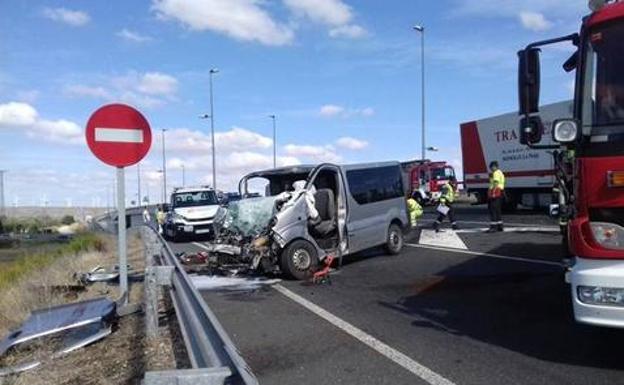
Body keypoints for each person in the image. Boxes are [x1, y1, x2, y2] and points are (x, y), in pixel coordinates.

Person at [487, 161, 506, 232]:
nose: (491, 169)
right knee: (498, 210)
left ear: (494, 166)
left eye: (491, 167)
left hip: (496, 192)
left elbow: (495, 183)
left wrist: (493, 193)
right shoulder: (500, 172)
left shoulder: (496, 173)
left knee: (493, 210)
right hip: (500, 192)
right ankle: (500, 226)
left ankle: (493, 227)